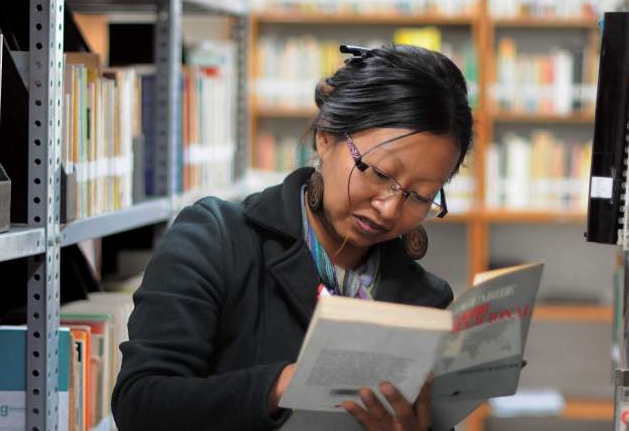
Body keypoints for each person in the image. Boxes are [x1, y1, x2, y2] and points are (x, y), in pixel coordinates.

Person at [111, 44, 474, 431]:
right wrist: (282, 385)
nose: (388, 208)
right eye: (380, 174)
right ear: (326, 137)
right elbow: (142, 404)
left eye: (419, 195)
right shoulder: (214, 238)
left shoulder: (425, 302)